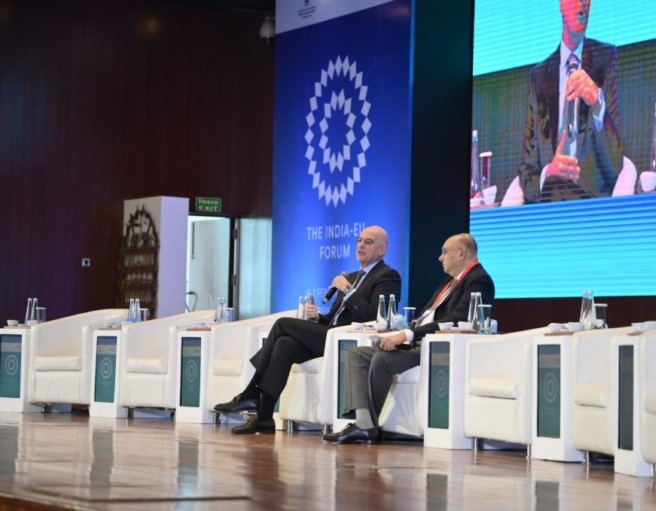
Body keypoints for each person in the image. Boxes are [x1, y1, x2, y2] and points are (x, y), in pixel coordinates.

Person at [214, 225, 401, 434]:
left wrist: (348, 290)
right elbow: (331, 320)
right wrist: (317, 317)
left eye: (368, 242)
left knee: (283, 324)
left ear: (382, 250)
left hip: (346, 341)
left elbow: (374, 316)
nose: (361, 245)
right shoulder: (351, 276)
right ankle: (264, 417)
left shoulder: (387, 276)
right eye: (359, 240)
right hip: (329, 335)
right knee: (284, 345)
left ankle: (250, 392)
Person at [323, 233, 495, 444]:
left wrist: (407, 335)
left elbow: (457, 320)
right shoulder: (448, 283)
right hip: (416, 341)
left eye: (444, 252)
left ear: (461, 253)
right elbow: (427, 316)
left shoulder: (478, 280)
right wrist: (403, 331)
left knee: (382, 358)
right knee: (357, 355)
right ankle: (364, 423)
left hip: (435, 348)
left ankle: (367, 427)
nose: (440, 258)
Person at [518, 0, 624, 203]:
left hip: (591, 203)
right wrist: (549, 172)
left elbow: (617, 162)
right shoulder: (538, 76)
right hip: (549, 202)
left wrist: (597, 102)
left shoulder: (606, 58)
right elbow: (526, 169)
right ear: (561, 4)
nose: (583, 3)